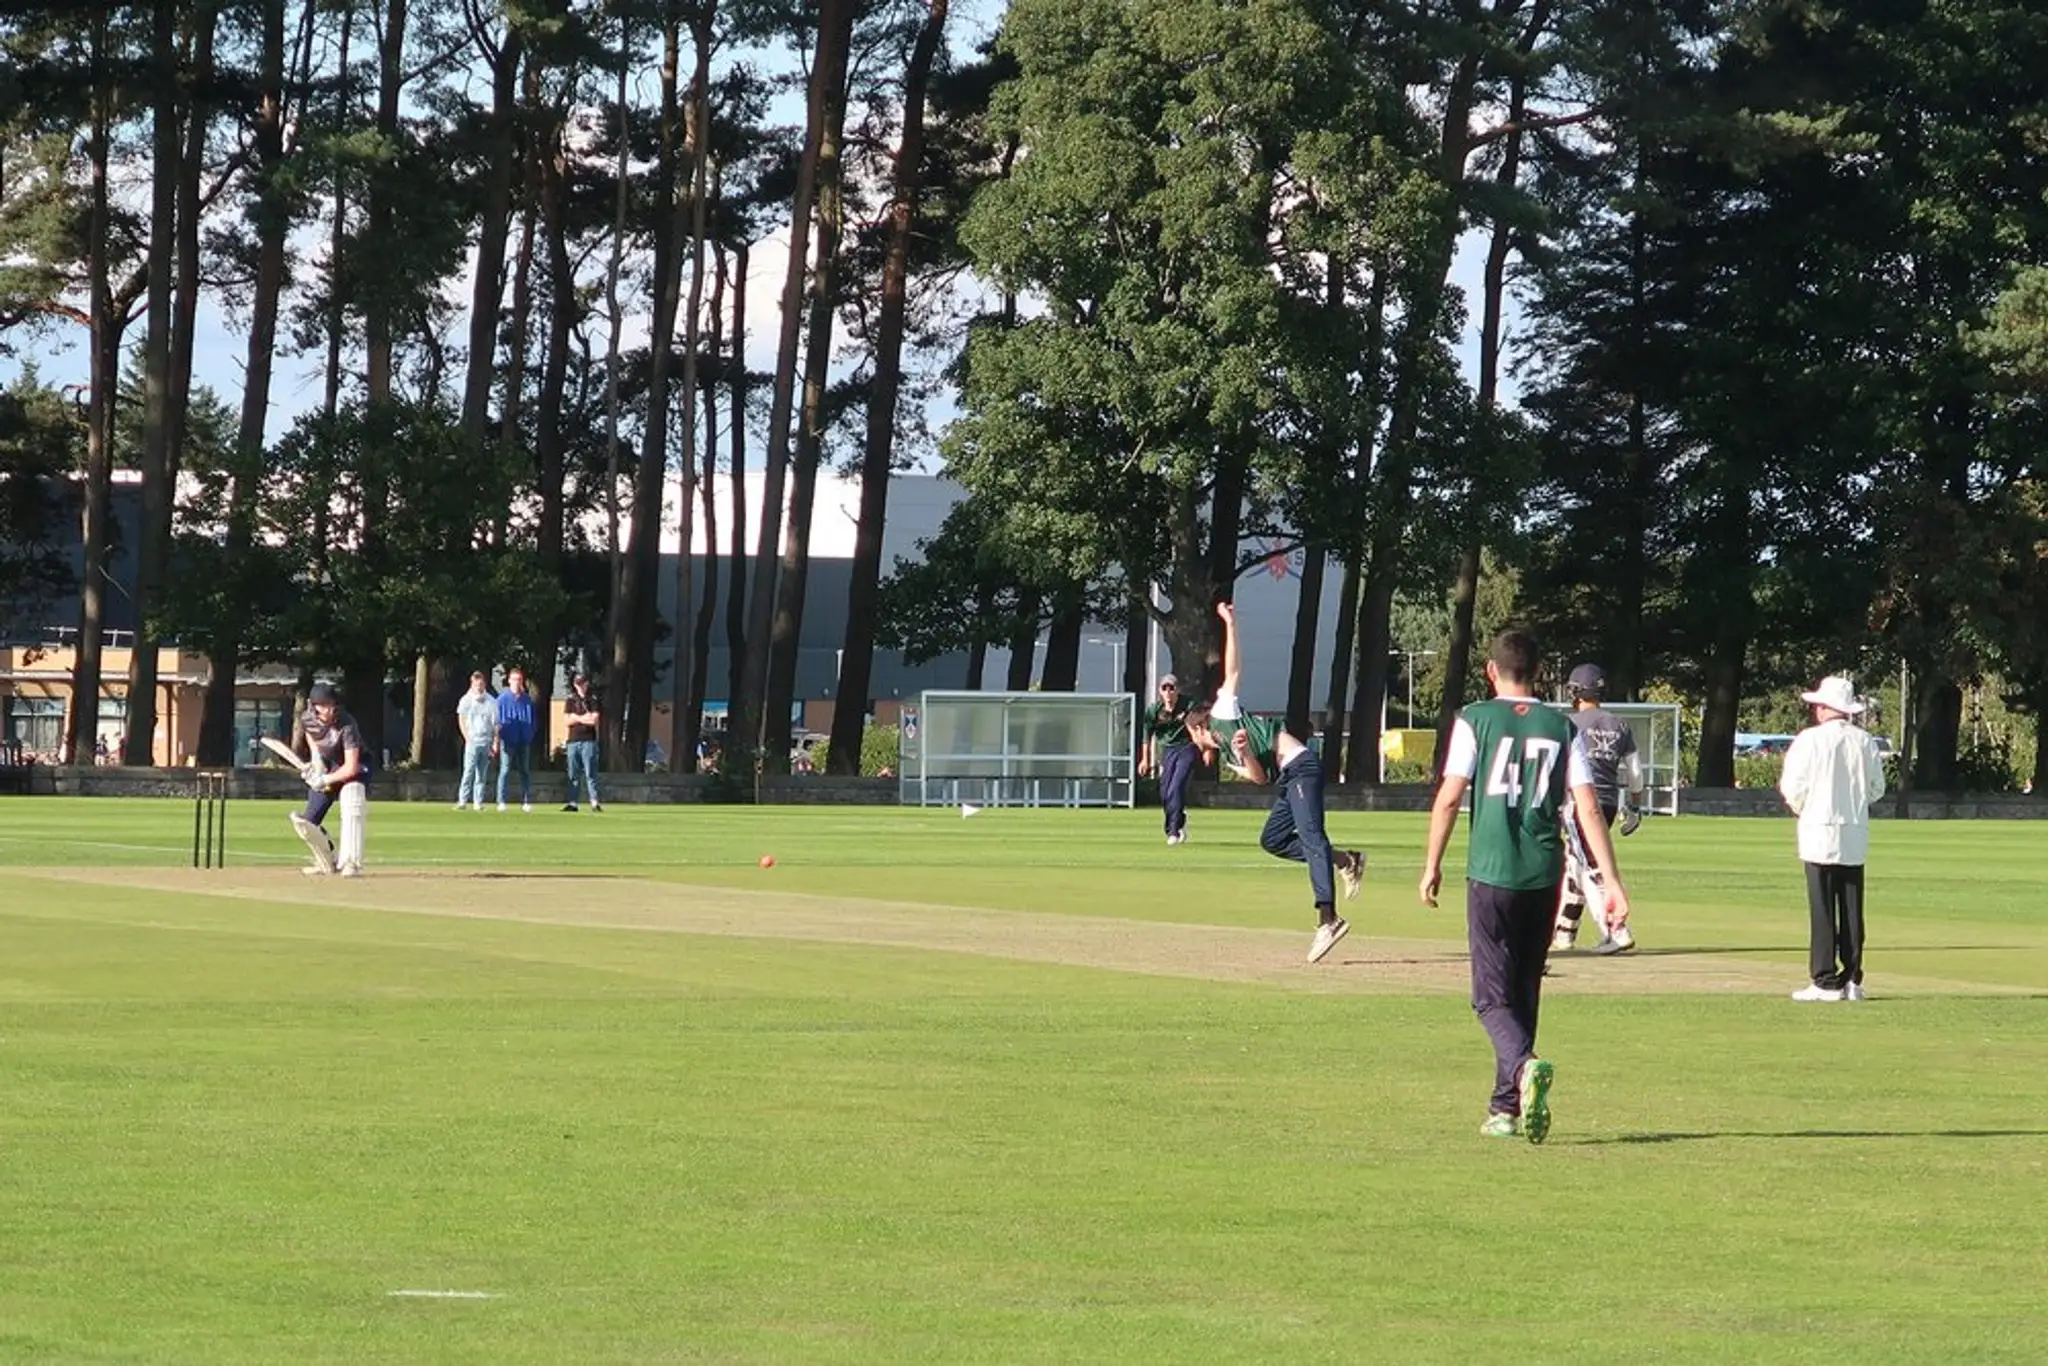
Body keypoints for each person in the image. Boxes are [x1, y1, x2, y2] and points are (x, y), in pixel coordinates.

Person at [1419, 629, 1633, 1143]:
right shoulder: (1561, 726)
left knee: (1489, 999)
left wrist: (1431, 864)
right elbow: (1587, 807)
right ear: (1539, 673)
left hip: (1491, 872)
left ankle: (1522, 1067)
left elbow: (1449, 797)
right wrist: (1611, 881)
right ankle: (1505, 1108)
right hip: (1543, 875)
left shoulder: (1475, 719)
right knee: (1524, 989)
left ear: (1491, 671)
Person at [1184, 600, 1365, 964]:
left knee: (1312, 837)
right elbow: (1260, 778)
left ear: (1199, 728)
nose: (1193, 742)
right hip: (1287, 778)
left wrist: (1230, 623)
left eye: (1191, 735)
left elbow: (1233, 669)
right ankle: (1347, 859)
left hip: (1302, 766)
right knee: (1273, 840)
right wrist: (1245, 752)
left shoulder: (1221, 713)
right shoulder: (1229, 750)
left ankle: (1328, 919)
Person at [1778, 675, 1886, 1002]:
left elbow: (1792, 786)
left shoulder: (1809, 740)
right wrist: (1854, 804)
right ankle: (1852, 979)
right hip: (1853, 831)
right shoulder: (1865, 741)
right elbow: (1877, 789)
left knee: (1822, 906)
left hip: (1818, 830)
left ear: (1825, 707)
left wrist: (1803, 809)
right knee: (1852, 907)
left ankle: (1825, 981)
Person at [1551, 662, 1648, 955]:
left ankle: (1615, 929)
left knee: (1590, 865)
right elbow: (1635, 773)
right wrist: (1635, 807)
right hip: (1608, 803)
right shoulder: (1619, 725)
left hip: (1579, 803)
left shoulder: (1568, 724)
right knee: (1576, 862)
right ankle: (1565, 932)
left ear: (1575, 691)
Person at [289, 682, 370, 878]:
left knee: (352, 800)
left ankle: (351, 863)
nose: (328, 710)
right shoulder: (307, 718)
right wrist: (316, 762)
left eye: (331, 705)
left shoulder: (347, 724)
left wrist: (324, 779)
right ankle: (326, 862)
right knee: (307, 823)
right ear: (313, 706)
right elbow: (312, 737)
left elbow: (351, 767)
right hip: (329, 765)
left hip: (356, 767)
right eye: (323, 706)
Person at [1138, 673, 1198, 845]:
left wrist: (1206, 748)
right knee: (1165, 793)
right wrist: (1145, 760)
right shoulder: (1154, 710)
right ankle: (1178, 820)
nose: (1168, 692)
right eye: (1164, 688)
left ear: (1177, 690)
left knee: (1176, 788)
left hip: (1186, 748)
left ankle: (1174, 831)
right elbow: (1147, 736)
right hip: (1167, 751)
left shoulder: (1188, 704)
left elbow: (1201, 722)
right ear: (1160, 691)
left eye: (1171, 688)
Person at [494, 666, 536, 813]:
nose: (517, 682)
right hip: (508, 740)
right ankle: (501, 800)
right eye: (514, 679)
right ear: (509, 680)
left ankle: (526, 801)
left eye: (519, 680)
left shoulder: (527, 700)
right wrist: (498, 738)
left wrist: (530, 733)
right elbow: (497, 720)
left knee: (525, 771)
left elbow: (532, 720)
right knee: (505, 770)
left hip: (523, 740)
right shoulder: (502, 699)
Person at [455, 671, 496, 811]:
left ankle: (478, 802)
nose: (479, 687)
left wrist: (494, 742)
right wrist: (467, 738)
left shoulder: (491, 701)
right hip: (472, 741)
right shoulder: (466, 700)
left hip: (486, 741)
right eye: (476, 684)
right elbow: (461, 719)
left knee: (481, 774)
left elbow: (495, 723)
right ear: (472, 684)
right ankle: (462, 800)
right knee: (468, 771)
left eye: (481, 684)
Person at [561, 672, 602, 812]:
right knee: (573, 773)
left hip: (589, 741)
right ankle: (573, 802)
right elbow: (566, 721)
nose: (580, 686)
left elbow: (594, 720)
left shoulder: (592, 700)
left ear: (586, 684)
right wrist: (583, 718)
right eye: (577, 684)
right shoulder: (570, 700)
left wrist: (576, 717)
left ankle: (594, 802)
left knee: (590, 773)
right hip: (573, 741)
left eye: (582, 683)